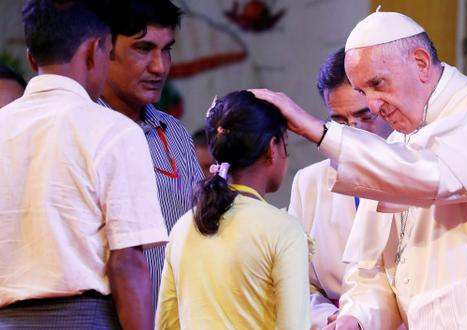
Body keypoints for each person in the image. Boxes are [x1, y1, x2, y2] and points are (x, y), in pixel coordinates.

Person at [252, 11, 467, 329]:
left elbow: (429, 177)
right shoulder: (394, 151)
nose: (375, 104)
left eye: (378, 84)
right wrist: (357, 319)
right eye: (365, 91)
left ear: (420, 63)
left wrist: (318, 131)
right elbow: (374, 274)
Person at [0, 1, 167, 329]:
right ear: (95, 50)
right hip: (86, 319)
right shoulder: (114, 131)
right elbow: (127, 264)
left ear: (32, 58)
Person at [156, 90, 310, 329]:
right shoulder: (283, 230)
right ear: (272, 148)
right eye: (285, 144)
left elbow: (166, 325)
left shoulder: (184, 226)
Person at [97, 0, 205, 309]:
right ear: (102, 48)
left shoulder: (173, 132)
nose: (159, 67)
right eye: (143, 49)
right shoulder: (82, 131)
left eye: (166, 49)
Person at [287, 47, 393, 329]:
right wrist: (332, 320)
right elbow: (298, 285)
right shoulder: (309, 183)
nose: (353, 132)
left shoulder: (421, 175)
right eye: (340, 121)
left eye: (365, 117)